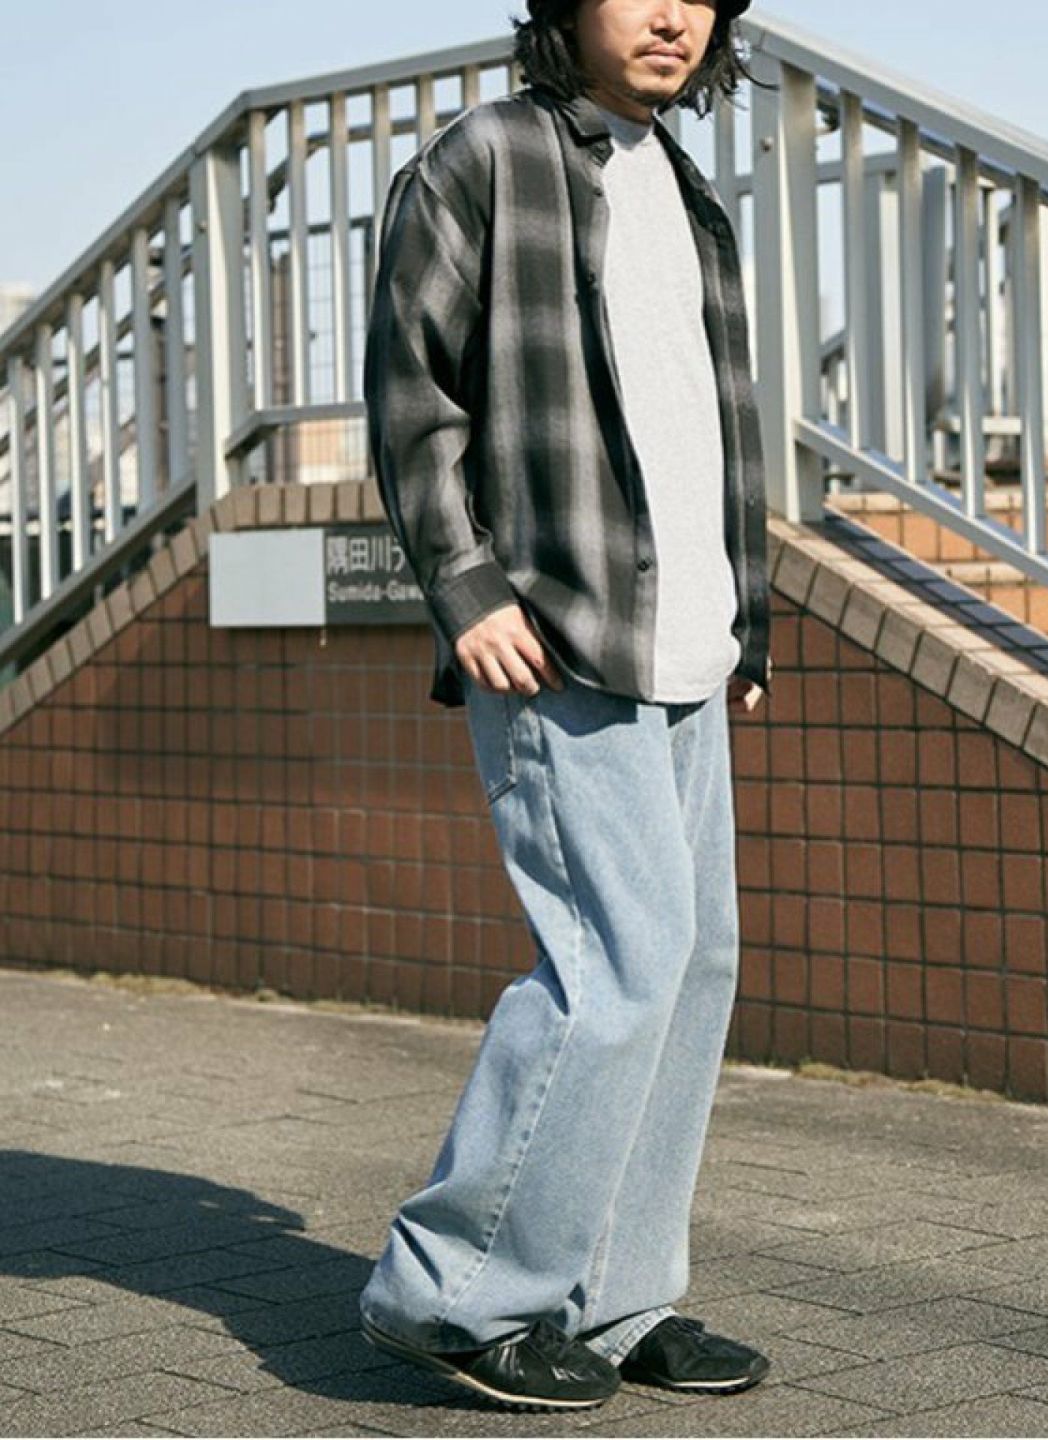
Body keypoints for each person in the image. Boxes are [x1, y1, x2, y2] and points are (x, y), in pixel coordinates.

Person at [359, 0, 774, 1413]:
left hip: (687, 639)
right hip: (553, 629)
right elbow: (413, 391)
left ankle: (615, 1296)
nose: (672, 14)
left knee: (694, 968)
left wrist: (748, 613)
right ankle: (456, 1291)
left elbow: (708, 424)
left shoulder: (689, 193)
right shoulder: (485, 157)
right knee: (619, 963)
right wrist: (465, 586)